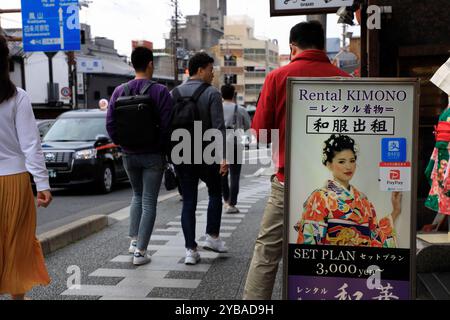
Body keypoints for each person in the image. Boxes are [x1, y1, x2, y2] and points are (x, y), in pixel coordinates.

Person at [243, 21, 350, 300]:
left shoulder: (278, 78)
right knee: (327, 251)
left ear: (293, 47)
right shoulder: (345, 80)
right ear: (322, 46)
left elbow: (262, 135)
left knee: (267, 253)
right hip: (333, 187)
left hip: (286, 181)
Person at [106, 46, 173, 266]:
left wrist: (123, 143)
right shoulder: (160, 91)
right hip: (152, 154)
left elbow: (110, 124)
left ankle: (134, 242)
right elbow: (167, 126)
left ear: (132, 65)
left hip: (128, 154)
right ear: (150, 64)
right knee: (149, 201)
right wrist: (161, 148)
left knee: (136, 195)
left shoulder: (119, 91)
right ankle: (141, 252)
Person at [0, 34, 52, 299]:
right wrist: (42, 184)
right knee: (17, 242)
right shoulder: (17, 97)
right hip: (15, 179)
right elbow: (31, 144)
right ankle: (18, 296)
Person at [171, 52, 229, 265]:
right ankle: (212, 237)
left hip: (182, 154)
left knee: (189, 201)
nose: (213, 74)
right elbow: (218, 127)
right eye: (211, 69)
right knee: (215, 193)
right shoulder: (212, 93)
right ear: (201, 69)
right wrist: (224, 156)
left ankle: (190, 250)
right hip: (207, 155)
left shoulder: (174, 93)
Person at [295, 134, 402, 247]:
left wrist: (395, 212)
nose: (348, 166)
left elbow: (375, 236)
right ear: (329, 165)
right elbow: (309, 243)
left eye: (352, 161)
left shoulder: (363, 200)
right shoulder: (320, 198)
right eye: (342, 162)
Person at [220, 84, 251, 214]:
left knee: (222, 173)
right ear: (234, 94)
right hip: (236, 144)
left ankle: (226, 200)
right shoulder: (241, 109)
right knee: (235, 175)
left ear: (221, 94)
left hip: (219, 144)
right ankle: (232, 204)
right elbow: (247, 126)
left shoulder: (217, 108)